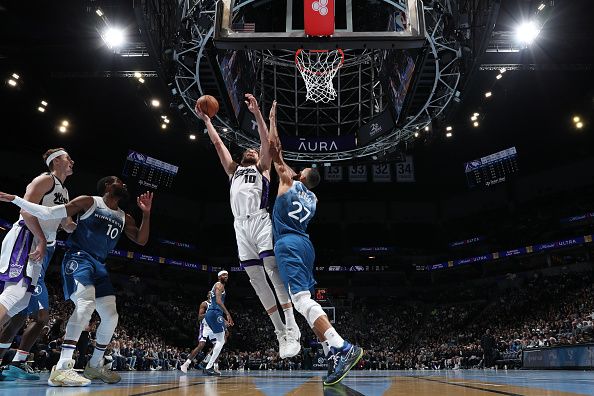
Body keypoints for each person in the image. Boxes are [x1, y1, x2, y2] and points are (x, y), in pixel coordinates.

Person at [0, 176, 152, 386]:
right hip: (79, 258)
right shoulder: (89, 201)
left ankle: (95, 365)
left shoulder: (124, 216)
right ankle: (62, 368)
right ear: (107, 185)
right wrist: (17, 199)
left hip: (99, 265)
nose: (124, 184)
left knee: (111, 316)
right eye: (119, 181)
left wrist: (146, 213)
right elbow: (50, 213)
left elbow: (142, 240)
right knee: (85, 305)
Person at [195, 94, 300, 358]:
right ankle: (279, 332)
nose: (252, 150)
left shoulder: (263, 168)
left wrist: (257, 114)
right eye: (249, 150)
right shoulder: (233, 170)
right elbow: (219, 144)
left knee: (272, 269)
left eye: (255, 150)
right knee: (256, 279)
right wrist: (207, 120)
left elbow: (266, 142)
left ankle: (292, 325)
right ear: (242, 156)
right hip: (240, 227)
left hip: (260, 220)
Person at [267, 101, 363, 386]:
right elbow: (289, 165)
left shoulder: (286, 180)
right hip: (306, 245)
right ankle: (331, 355)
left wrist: (271, 120)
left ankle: (342, 347)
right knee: (305, 303)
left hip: (288, 244)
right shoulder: (314, 198)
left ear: (301, 175)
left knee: (301, 301)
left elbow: (275, 149)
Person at [0, 148, 76, 381]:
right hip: (27, 237)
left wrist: (71, 223)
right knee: (15, 294)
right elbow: (25, 210)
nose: (72, 161)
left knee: (21, 303)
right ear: (56, 162)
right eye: (67, 158)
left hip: (44, 245)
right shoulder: (45, 180)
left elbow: (62, 221)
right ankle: (14, 363)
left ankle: (7, 363)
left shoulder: (64, 190)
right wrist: (42, 240)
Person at [203, 270, 233, 376]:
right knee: (221, 341)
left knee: (221, 340)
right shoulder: (219, 285)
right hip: (214, 313)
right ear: (219, 277)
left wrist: (223, 320)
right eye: (224, 275)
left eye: (227, 275)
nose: (226, 277)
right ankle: (208, 366)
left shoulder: (216, 285)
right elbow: (219, 302)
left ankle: (208, 363)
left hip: (213, 314)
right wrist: (228, 314)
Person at [180, 292, 213, 373]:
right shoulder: (204, 304)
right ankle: (186, 363)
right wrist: (208, 313)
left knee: (218, 345)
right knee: (201, 345)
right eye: (210, 293)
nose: (212, 294)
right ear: (207, 295)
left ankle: (214, 366)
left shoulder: (216, 305)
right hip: (205, 326)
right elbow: (199, 317)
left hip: (213, 327)